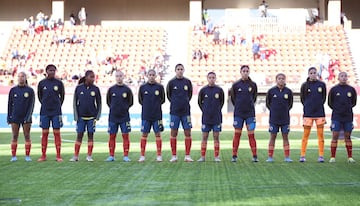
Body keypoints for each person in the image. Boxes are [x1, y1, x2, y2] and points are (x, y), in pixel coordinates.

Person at [70, 70, 101, 162]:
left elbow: (99, 103)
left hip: (91, 117)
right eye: (91, 77)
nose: (93, 79)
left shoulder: (96, 89)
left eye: (93, 77)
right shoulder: (79, 88)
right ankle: (76, 156)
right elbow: (75, 102)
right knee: (79, 135)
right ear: (86, 77)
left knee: (90, 136)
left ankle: (89, 156)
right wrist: (76, 116)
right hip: (81, 117)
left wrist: (97, 116)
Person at [230, 65, 258, 162]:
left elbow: (254, 98)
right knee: (237, 134)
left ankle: (254, 156)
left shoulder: (253, 85)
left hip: (250, 114)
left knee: (251, 135)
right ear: (240, 72)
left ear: (249, 72)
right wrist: (238, 105)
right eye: (243, 71)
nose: (245, 72)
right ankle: (234, 155)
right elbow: (233, 98)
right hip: (238, 113)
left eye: (247, 71)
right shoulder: (236, 85)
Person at [166, 63, 194, 162]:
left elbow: (189, 95)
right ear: (175, 70)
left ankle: (187, 155)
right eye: (178, 69)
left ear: (184, 70)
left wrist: (184, 102)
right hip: (174, 112)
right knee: (174, 132)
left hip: (186, 112)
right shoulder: (171, 83)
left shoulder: (188, 82)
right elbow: (169, 96)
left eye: (181, 69)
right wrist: (176, 103)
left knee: (188, 132)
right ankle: (174, 156)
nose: (180, 70)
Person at [37, 64, 65, 162]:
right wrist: (46, 104)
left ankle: (58, 156)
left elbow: (62, 96)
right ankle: (43, 155)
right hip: (44, 111)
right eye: (50, 70)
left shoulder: (59, 83)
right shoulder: (41, 83)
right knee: (45, 133)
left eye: (54, 70)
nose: (52, 72)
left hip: (56, 112)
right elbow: (40, 96)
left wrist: (57, 105)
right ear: (46, 71)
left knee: (57, 133)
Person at [328, 72, 357, 163]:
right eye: (342, 76)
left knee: (347, 137)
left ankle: (350, 157)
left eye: (345, 76)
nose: (344, 78)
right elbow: (330, 102)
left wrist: (346, 108)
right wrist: (337, 109)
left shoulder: (351, 90)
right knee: (335, 136)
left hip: (348, 117)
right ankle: (332, 157)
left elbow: (353, 102)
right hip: (336, 116)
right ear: (338, 78)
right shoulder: (334, 90)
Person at [299, 67, 327, 163]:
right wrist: (308, 106)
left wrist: (318, 105)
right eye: (311, 73)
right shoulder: (304, 85)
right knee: (305, 135)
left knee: (320, 135)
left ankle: (321, 155)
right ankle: (302, 155)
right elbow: (303, 99)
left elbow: (323, 98)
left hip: (320, 114)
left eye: (314, 73)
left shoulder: (322, 85)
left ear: (317, 74)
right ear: (308, 74)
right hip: (308, 114)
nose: (313, 74)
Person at [105, 70, 133, 162]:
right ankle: (111, 155)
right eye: (117, 76)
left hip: (124, 117)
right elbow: (108, 102)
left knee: (125, 136)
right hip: (113, 117)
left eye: (120, 76)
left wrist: (124, 108)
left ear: (123, 77)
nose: (119, 77)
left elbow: (130, 102)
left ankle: (126, 155)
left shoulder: (127, 90)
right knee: (112, 136)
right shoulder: (111, 89)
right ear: (115, 77)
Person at [138, 69, 165, 162]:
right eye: (150, 75)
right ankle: (142, 155)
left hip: (157, 115)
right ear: (147, 75)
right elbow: (140, 100)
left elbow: (163, 99)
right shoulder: (142, 87)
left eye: (153, 75)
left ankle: (159, 155)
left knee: (158, 134)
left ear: (156, 75)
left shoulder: (160, 87)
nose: (151, 76)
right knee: (144, 134)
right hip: (146, 115)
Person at [265, 73, 294, 162]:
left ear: (285, 80)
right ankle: (270, 157)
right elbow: (268, 103)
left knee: (285, 137)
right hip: (274, 118)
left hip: (285, 119)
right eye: (279, 78)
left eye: (283, 78)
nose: (281, 80)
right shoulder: (271, 91)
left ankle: (287, 157)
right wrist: (274, 110)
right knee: (272, 136)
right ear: (276, 80)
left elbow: (290, 104)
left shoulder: (288, 92)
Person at [197, 72, 225, 162]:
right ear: (207, 78)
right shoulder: (203, 90)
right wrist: (205, 110)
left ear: (215, 78)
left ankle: (216, 157)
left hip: (216, 118)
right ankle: (202, 157)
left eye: (213, 77)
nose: (211, 79)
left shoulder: (219, 90)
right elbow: (199, 102)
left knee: (216, 137)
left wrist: (216, 110)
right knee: (204, 136)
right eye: (210, 77)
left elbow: (222, 102)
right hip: (206, 118)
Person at [7, 72, 35, 162]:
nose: (20, 78)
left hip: (26, 117)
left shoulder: (30, 90)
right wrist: (9, 117)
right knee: (15, 136)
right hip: (15, 116)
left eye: (22, 76)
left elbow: (31, 105)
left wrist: (28, 116)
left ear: (25, 78)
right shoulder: (13, 90)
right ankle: (14, 156)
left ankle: (27, 156)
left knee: (27, 136)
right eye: (19, 76)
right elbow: (9, 105)